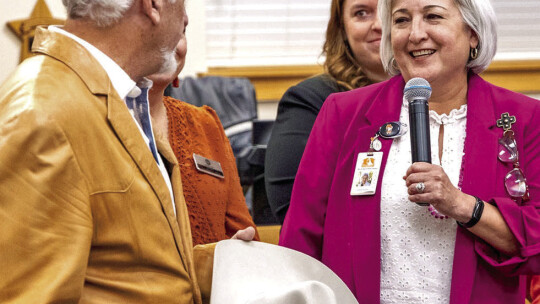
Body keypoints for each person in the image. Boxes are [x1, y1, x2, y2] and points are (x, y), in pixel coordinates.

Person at [279, 0, 540, 303]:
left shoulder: (525, 119)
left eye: (432, 16)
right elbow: (300, 241)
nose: (415, 34)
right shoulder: (343, 114)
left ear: (473, 33)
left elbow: (534, 240)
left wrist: (461, 205)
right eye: (402, 21)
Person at [0, 0, 253, 302]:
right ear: (153, 5)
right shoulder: (41, 113)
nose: (185, 17)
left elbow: (119, 269)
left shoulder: (123, 97)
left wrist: (220, 263)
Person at [265, 0, 389, 224]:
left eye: (388, 11)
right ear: (341, 29)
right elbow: (292, 207)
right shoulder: (310, 101)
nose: (379, 24)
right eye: (362, 13)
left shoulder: (434, 94)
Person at [147, 35, 259, 246]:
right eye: (156, 22)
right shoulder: (98, 120)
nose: (170, 40)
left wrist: (238, 250)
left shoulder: (206, 124)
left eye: (180, 30)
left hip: (221, 277)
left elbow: (246, 231)